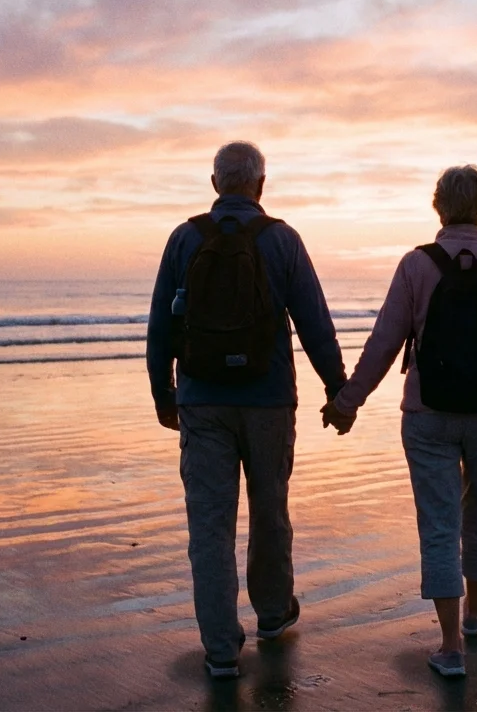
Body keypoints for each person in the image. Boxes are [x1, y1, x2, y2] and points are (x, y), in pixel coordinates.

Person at [321, 164, 477, 677]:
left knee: (440, 525)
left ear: (438, 206)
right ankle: (472, 612)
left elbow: (384, 344)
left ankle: (450, 648)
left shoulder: (416, 266)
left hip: (428, 417)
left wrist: (347, 401)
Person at [146, 141, 347, 678]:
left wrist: (163, 393)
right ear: (261, 185)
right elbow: (314, 322)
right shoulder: (283, 240)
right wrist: (338, 389)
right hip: (269, 398)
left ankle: (219, 650)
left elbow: (161, 326)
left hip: (202, 400)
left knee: (210, 526)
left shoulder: (184, 239)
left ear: (215, 184)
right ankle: (273, 615)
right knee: (269, 510)